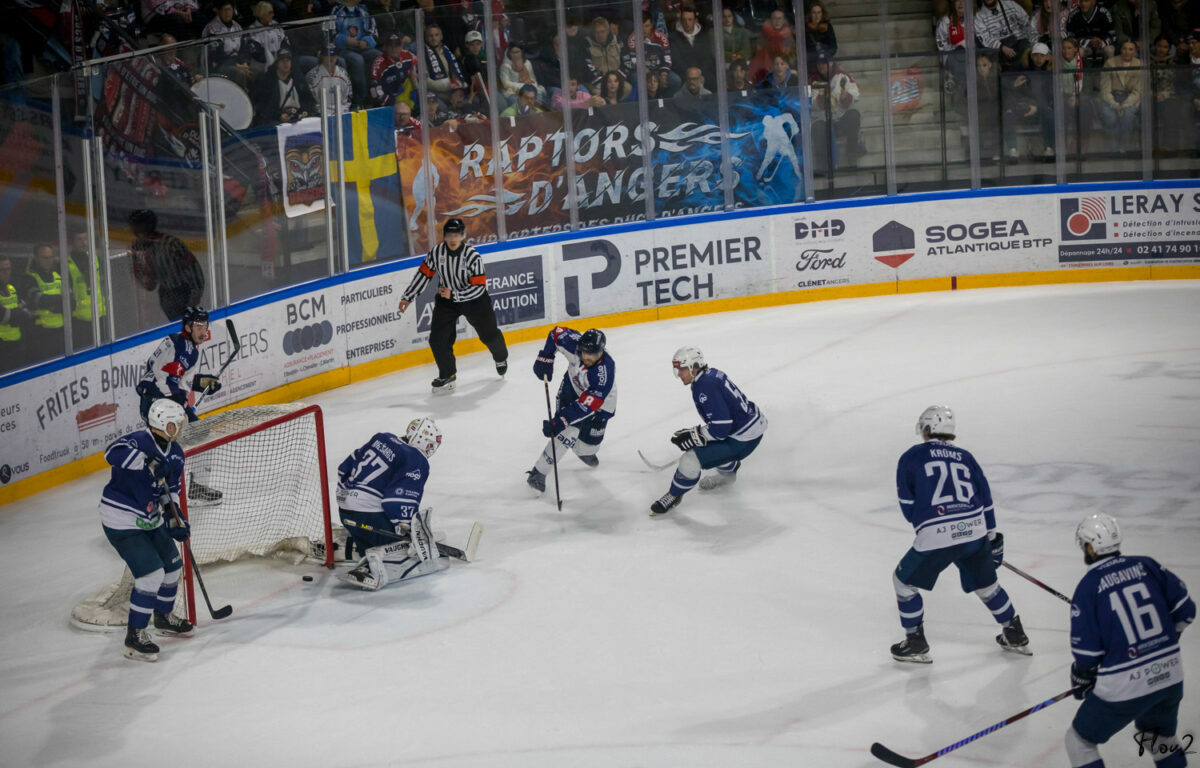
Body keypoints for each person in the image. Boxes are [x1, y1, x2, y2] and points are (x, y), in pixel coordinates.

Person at [889, 406, 1030, 663]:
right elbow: (985, 500)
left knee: (903, 583)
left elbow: (907, 504)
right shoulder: (966, 457)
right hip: (975, 530)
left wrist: (929, 525)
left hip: (937, 533)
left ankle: (915, 641)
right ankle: (1014, 632)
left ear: (928, 428)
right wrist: (991, 538)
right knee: (987, 585)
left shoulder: (912, 456)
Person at [1065, 513, 1194, 768]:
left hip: (1126, 685)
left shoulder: (1088, 586)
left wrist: (1082, 676)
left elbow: (1088, 655)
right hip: (1170, 675)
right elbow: (1186, 611)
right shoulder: (1147, 565)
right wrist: (1163, 643)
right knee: (1158, 737)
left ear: (1090, 547)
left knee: (1079, 742)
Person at [98, 398, 193, 662]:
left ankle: (163, 617)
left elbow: (170, 490)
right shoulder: (138, 441)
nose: (181, 428)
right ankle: (135, 636)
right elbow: (110, 453)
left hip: (150, 519)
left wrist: (175, 517)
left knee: (173, 567)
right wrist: (146, 463)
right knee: (151, 575)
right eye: (178, 423)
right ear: (165, 425)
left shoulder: (176, 453)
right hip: (121, 520)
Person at [650, 346, 767, 517]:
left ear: (693, 366)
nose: (679, 374)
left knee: (690, 459)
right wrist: (697, 434)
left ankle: (674, 495)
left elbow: (721, 428)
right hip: (751, 428)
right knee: (710, 441)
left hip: (743, 439)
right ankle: (729, 473)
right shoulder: (710, 375)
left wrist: (694, 436)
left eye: (682, 369)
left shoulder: (704, 386)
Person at [396, 218, 509, 393]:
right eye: (449, 235)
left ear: (463, 236)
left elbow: (479, 288)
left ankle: (500, 357)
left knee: (489, 335)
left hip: (474, 301)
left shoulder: (472, 256)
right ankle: (448, 375)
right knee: (437, 339)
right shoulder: (437, 253)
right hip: (446, 301)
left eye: (456, 235)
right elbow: (424, 275)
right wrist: (408, 297)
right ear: (444, 236)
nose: (453, 239)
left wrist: (455, 294)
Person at [336, 418, 446, 591]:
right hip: (369, 517)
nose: (431, 450)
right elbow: (394, 502)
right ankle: (373, 563)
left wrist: (348, 498)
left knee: (367, 534)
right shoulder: (416, 459)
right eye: (431, 445)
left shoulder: (382, 438)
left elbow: (343, 468)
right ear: (421, 439)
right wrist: (408, 529)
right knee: (406, 545)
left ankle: (340, 544)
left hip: (345, 511)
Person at [135, 305, 222, 503]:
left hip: (153, 401)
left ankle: (154, 494)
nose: (204, 331)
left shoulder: (179, 343)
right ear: (188, 327)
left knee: (164, 448)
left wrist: (202, 382)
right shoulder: (184, 348)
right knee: (202, 436)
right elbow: (169, 380)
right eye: (199, 326)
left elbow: (176, 377)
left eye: (205, 326)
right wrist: (181, 403)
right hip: (158, 404)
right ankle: (190, 490)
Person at [525, 327, 616, 493]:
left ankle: (582, 448)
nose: (587, 358)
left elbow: (586, 406)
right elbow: (555, 334)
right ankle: (538, 473)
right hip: (571, 390)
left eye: (593, 355)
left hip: (601, 401)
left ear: (601, 352)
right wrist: (546, 357)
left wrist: (561, 420)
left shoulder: (604, 373)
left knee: (589, 447)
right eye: (584, 353)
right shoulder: (572, 342)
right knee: (567, 430)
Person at [128, 209, 205, 323]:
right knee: (176, 324)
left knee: (189, 324)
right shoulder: (137, 245)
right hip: (165, 293)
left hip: (183, 290)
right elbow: (147, 280)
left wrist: (196, 291)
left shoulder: (171, 244)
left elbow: (193, 268)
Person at [810, 53, 863, 170]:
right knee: (817, 128)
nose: (821, 66)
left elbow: (855, 96)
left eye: (824, 63)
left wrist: (845, 96)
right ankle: (823, 166)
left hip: (839, 121)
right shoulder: (813, 81)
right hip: (823, 123)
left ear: (831, 62)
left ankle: (851, 155)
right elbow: (809, 104)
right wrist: (821, 99)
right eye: (819, 63)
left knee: (854, 115)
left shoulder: (843, 77)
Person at [332, 0, 381, 108]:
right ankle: (360, 99)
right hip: (342, 49)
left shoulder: (364, 11)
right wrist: (345, 40)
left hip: (362, 48)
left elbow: (373, 32)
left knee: (378, 56)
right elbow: (331, 33)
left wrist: (366, 41)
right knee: (357, 60)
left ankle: (379, 95)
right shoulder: (336, 10)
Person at [20, 242, 64, 361]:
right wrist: (60, 300)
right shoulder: (29, 278)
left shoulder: (58, 275)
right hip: (40, 335)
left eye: (51, 257)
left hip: (61, 333)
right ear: (36, 258)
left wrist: (53, 303)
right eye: (45, 258)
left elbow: (71, 300)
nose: (49, 261)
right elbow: (39, 300)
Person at [1099, 40, 1143, 153]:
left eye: (1131, 49)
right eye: (1124, 48)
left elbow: (1138, 91)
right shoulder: (1110, 63)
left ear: (1135, 52)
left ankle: (1125, 146)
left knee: (1128, 115)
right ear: (1120, 50)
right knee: (1110, 116)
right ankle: (1113, 149)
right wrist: (1114, 104)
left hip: (1130, 98)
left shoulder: (1140, 64)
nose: (1127, 52)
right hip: (1111, 97)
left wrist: (1125, 105)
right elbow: (1105, 88)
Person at [66, 230, 105, 351]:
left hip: (101, 316)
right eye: (79, 239)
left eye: (85, 239)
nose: (83, 243)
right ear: (72, 242)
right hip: (79, 320)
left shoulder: (96, 259)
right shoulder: (66, 264)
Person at [975, 0, 1037, 72]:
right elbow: (984, 38)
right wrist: (1001, 47)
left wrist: (1034, 43)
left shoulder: (1011, 4)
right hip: (999, 50)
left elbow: (1026, 23)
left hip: (1020, 43)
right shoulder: (979, 16)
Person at [0, 255, 32, 372]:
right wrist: (18, 315)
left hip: (16, 345)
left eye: (8, 269)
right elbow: (4, 316)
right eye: (2, 270)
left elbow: (24, 310)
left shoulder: (12, 288)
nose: (6, 273)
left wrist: (20, 314)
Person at [369, 33, 418, 108]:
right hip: (390, 104)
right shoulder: (379, 62)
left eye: (397, 46)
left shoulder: (409, 56)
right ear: (385, 47)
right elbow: (374, 90)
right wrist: (392, 102)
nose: (394, 49)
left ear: (402, 46)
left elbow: (422, 74)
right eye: (390, 46)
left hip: (409, 99)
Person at [1067, 0, 1116, 68]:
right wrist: (1088, 42)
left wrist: (1102, 42)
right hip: (1084, 47)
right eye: (1081, 1)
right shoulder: (1074, 15)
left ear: (1093, 2)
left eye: (1086, 1)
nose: (1083, 3)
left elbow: (1112, 35)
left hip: (1101, 46)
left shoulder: (1104, 13)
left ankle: (1107, 76)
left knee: (1110, 50)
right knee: (1077, 52)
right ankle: (1079, 76)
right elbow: (1071, 38)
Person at [305, 45, 353, 112]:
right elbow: (311, 100)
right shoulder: (312, 75)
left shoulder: (343, 74)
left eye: (334, 56)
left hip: (341, 112)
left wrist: (343, 110)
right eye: (328, 56)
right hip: (321, 115)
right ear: (322, 56)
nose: (331, 58)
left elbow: (348, 97)